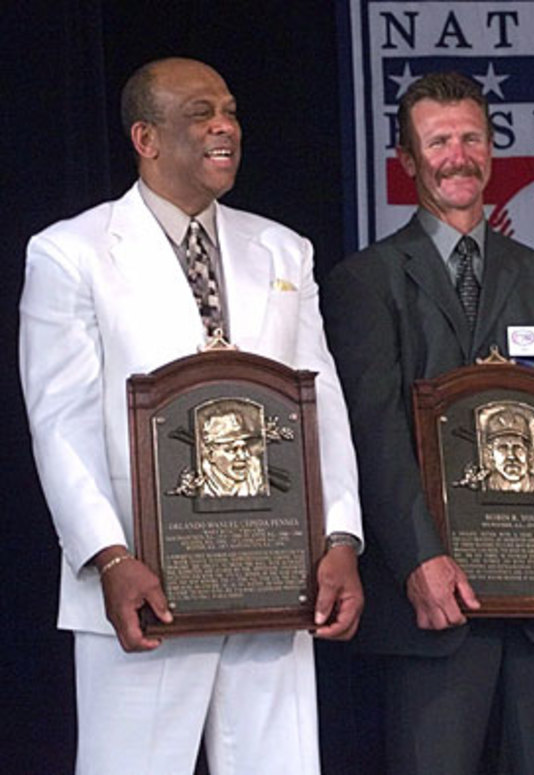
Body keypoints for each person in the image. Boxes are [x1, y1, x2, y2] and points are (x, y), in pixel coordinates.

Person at [18, 57, 364, 774]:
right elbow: (62, 422)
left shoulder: (283, 249)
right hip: (146, 589)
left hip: (275, 582)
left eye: (231, 111)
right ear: (145, 138)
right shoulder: (71, 253)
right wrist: (108, 557)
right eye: (201, 112)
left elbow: (318, 403)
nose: (224, 126)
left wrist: (340, 536)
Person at [322, 71, 534, 775]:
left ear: (492, 149)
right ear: (407, 160)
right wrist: (417, 558)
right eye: (438, 141)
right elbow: (371, 433)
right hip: (434, 606)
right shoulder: (365, 281)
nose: (457, 155)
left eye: (471, 137)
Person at [198, 409, 267, 497]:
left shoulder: (255, 475)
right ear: (211, 455)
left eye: (244, 448)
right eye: (231, 450)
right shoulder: (203, 486)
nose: (242, 456)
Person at [481, 408, 534, 493]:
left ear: (530, 453)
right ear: (490, 454)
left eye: (517, 447)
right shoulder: (487, 485)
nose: (511, 455)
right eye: (503, 448)